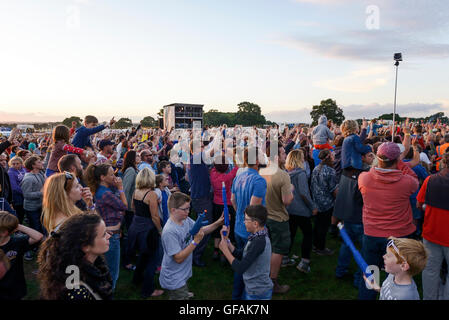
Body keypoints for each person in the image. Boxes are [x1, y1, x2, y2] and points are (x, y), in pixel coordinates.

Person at [357, 142, 419, 300]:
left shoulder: (364, 178)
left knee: (371, 273)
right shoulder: (407, 182)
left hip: (372, 233)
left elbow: (373, 171)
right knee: (398, 275)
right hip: (398, 237)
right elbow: (414, 179)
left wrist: (387, 163)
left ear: (378, 158)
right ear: (397, 160)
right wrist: (400, 163)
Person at [159, 192, 223, 300]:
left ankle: (182, 293)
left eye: (189, 208)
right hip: (174, 278)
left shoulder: (185, 220)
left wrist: (218, 223)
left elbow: (201, 230)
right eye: (185, 209)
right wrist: (195, 242)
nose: (188, 212)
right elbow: (178, 258)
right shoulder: (170, 231)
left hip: (181, 273)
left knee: (181, 291)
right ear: (173, 210)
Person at [37, 213, 113, 300]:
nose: (109, 236)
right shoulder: (78, 292)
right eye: (103, 235)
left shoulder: (92, 263)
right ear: (85, 246)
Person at [230, 146, 267, 300]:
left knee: (242, 263)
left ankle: (237, 295)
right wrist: (247, 220)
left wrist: (240, 215)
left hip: (239, 226)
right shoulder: (258, 180)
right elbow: (253, 209)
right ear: (257, 161)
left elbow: (233, 200)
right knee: (249, 268)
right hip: (250, 231)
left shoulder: (239, 176)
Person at [85, 163, 127, 291]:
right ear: (102, 177)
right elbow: (125, 205)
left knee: (106, 269)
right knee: (112, 273)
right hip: (111, 236)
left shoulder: (104, 191)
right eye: (111, 174)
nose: (114, 176)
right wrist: (121, 188)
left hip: (110, 232)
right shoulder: (106, 194)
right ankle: (109, 294)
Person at [219, 205, 273, 300]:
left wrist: (225, 251)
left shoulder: (259, 242)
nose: (244, 222)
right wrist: (227, 241)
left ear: (255, 223)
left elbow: (240, 268)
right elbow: (241, 254)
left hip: (257, 292)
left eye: (246, 220)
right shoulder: (256, 236)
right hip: (252, 288)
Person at [259, 145, 294, 293]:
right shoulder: (283, 175)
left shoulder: (260, 172)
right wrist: (291, 190)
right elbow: (286, 201)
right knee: (278, 250)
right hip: (278, 218)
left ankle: (263, 277)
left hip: (264, 216)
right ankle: (272, 282)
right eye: (282, 152)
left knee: (268, 249)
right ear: (275, 156)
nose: (285, 154)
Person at [126, 168, 164, 298]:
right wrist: (160, 231)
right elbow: (154, 216)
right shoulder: (151, 194)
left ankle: (136, 280)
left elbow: (133, 207)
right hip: (148, 230)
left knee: (143, 256)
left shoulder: (136, 191)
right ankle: (148, 290)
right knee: (152, 260)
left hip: (136, 227)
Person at [417, 152, 449, 299]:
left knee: (430, 270)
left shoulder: (430, 180)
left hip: (431, 232)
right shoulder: (430, 180)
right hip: (435, 234)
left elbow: (419, 203)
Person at [285, 149, 317, 273]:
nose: (304, 158)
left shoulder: (287, 173)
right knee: (308, 235)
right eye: (302, 157)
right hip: (301, 209)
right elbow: (304, 193)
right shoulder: (301, 174)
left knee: (291, 234)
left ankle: (285, 258)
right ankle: (304, 262)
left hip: (290, 208)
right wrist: (312, 206)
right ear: (298, 159)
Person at [0, 211, 43, 300]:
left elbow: (38, 236)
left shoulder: (17, 242)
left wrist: (17, 225)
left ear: (4, 232)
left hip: (15, 288)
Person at [210, 156, 238, 261]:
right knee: (227, 228)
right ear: (226, 167)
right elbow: (236, 169)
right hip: (227, 205)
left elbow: (214, 167)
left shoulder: (212, 173)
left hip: (216, 204)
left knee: (217, 227)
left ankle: (216, 250)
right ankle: (224, 251)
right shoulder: (227, 177)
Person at [310, 149, 338, 256]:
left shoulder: (316, 168)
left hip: (316, 201)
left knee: (317, 224)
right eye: (332, 156)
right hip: (326, 203)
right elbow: (333, 189)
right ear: (328, 157)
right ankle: (320, 248)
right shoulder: (330, 171)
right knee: (323, 226)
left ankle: (315, 245)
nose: (333, 157)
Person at [20, 156, 46, 235]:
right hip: (32, 208)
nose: (42, 163)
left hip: (41, 205)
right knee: (35, 227)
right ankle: (36, 245)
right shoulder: (28, 179)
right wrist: (42, 193)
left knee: (43, 226)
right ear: (33, 165)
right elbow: (26, 195)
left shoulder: (41, 173)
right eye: (39, 162)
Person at [7, 156, 27, 223]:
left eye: (17, 163)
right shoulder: (10, 172)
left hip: (25, 195)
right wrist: (25, 193)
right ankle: (18, 229)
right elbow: (14, 187)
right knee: (19, 213)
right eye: (13, 164)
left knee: (23, 212)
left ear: (21, 163)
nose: (15, 165)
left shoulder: (24, 170)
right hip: (17, 197)